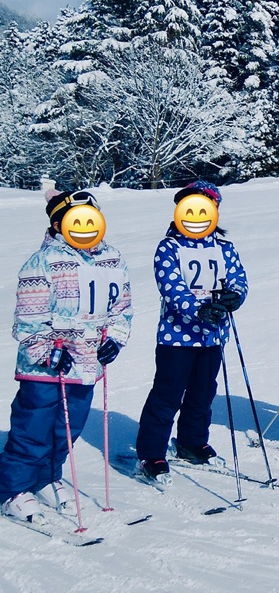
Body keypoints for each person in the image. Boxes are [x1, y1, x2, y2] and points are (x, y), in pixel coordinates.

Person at [1, 186, 132, 523]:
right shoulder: (41, 262)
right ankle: (14, 489)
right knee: (34, 425)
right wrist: (46, 352)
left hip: (87, 364)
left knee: (67, 428)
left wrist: (115, 339)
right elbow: (28, 320)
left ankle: (46, 477)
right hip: (46, 367)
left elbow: (122, 308)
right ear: (58, 225)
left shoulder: (112, 259)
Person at [134, 181, 248, 484]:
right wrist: (197, 309)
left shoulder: (224, 248)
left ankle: (191, 442)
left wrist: (233, 297)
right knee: (168, 394)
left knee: (203, 392)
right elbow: (171, 286)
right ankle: (151, 452)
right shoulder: (169, 247)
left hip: (212, 336)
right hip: (177, 336)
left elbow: (237, 279)